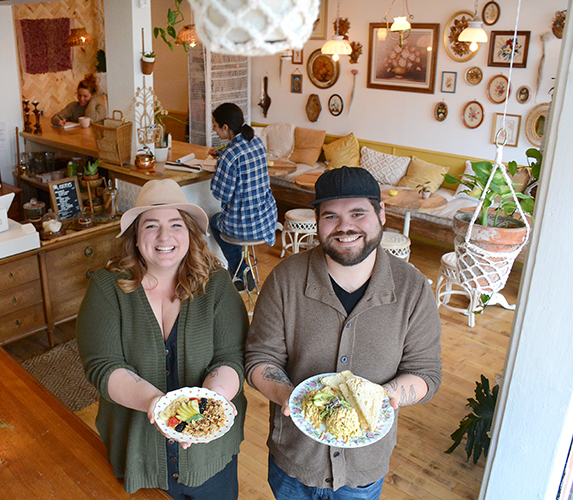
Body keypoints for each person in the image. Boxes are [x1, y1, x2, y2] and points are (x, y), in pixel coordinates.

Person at [245, 166, 442, 499]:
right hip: (294, 461)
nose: (344, 227)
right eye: (330, 216)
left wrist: (386, 397)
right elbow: (260, 358)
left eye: (358, 213)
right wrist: (289, 398)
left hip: (364, 468)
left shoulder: (412, 288)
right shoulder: (285, 280)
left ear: (381, 214)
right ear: (317, 221)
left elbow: (425, 373)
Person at [77, 178, 249, 499]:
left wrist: (210, 405)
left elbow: (232, 357)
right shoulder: (107, 287)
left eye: (175, 224)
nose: (164, 236)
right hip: (138, 455)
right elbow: (102, 365)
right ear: (136, 237)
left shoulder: (217, 284)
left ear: (189, 233)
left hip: (209, 456)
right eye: (151, 225)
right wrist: (156, 405)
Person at [208, 102, 277, 290]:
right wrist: (221, 154)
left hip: (243, 225)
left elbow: (220, 193)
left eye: (215, 125)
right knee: (228, 222)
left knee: (214, 221)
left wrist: (220, 165)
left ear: (225, 127)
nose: (213, 129)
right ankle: (241, 271)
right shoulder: (255, 141)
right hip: (266, 219)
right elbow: (240, 155)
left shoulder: (230, 156)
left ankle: (240, 270)